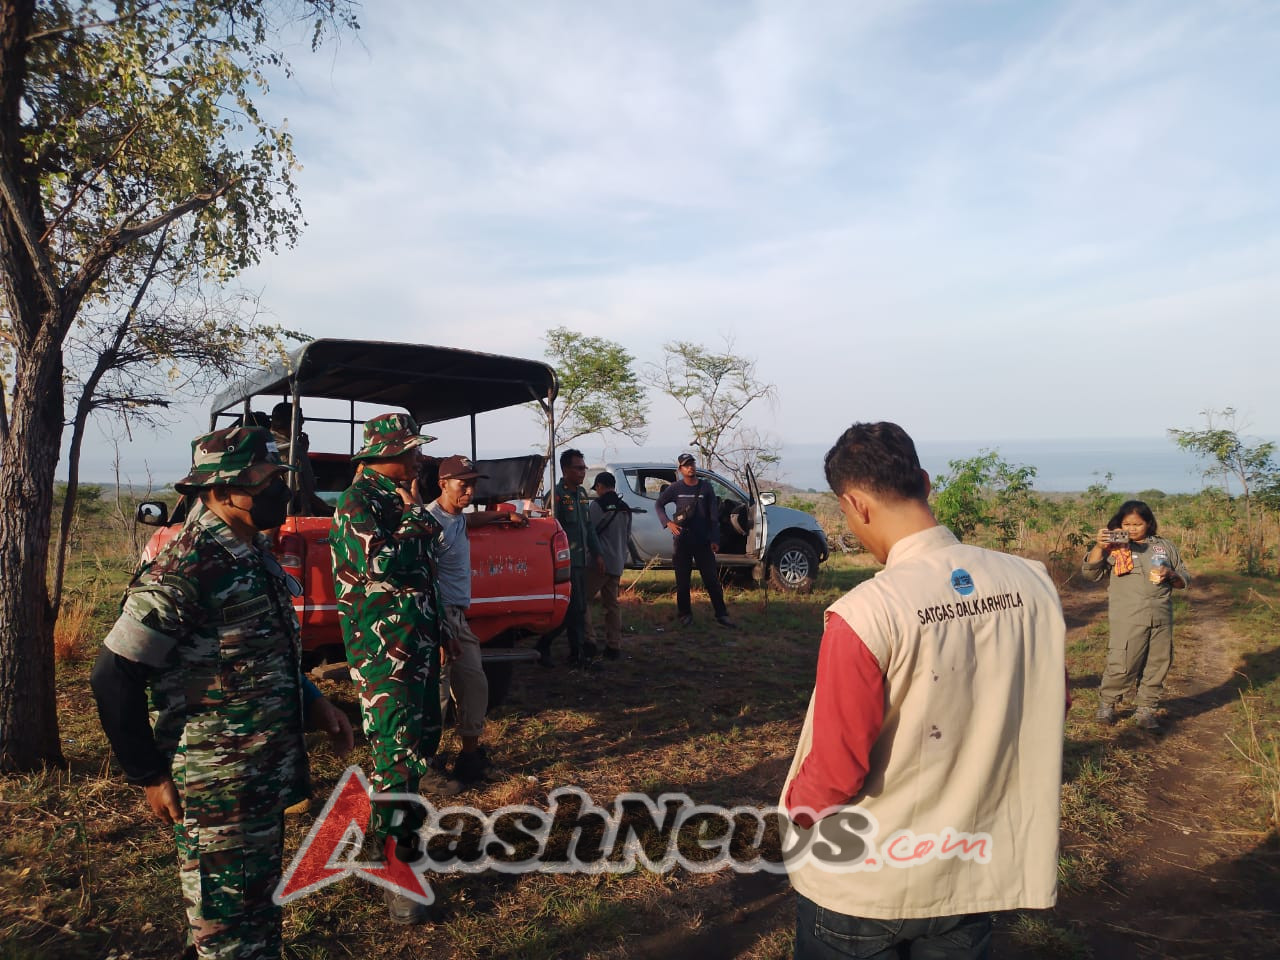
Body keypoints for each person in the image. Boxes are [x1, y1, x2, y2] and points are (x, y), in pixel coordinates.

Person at [780, 422, 1068, 960]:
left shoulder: (865, 613)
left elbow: (837, 772)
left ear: (855, 504)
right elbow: (1053, 701)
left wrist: (795, 810)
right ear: (926, 484)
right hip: (968, 869)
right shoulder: (1033, 584)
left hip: (864, 885)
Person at [90, 425, 354, 960]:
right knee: (224, 926)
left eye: (277, 477)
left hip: (261, 775)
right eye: (260, 481)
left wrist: (316, 702)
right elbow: (113, 674)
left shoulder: (251, 551)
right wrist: (148, 775)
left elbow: (259, 652)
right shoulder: (187, 566)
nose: (276, 490)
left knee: (252, 913)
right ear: (218, 490)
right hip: (217, 785)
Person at [330, 412, 449, 925]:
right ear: (387, 455)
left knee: (421, 743)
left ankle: (403, 842)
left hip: (415, 643)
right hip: (384, 653)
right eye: (412, 452)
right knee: (395, 755)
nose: (420, 458)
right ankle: (395, 867)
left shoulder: (399, 500)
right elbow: (378, 563)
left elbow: (423, 574)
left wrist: (439, 631)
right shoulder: (358, 502)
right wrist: (418, 519)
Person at [427, 454, 527, 788]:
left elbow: (469, 521)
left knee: (474, 684)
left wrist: (503, 516)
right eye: (463, 484)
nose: (469, 491)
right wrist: (439, 631)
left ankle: (469, 756)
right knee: (435, 695)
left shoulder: (456, 518)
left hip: (458, 617)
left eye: (472, 484)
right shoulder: (427, 522)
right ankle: (423, 767)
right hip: (435, 618)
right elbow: (423, 580)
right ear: (443, 484)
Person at [1083, 500, 1190, 731]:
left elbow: (1183, 579)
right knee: (1122, 662)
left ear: (1149, 523)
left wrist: (1170, 574)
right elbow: (1091, 574)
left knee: (1158, 664)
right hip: (1128, 616)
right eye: (1126, 524)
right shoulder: (1114, 546)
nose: (1132, 529)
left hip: (1161, 616)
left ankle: (1146, 709)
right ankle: (1107, 705)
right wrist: (1099, 546)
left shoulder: (1164, 547)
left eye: (1137, 524)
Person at [537, 448, 605, 667]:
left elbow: (588, 528)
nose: (582, 472)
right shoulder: (556, 497)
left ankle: (545, 646)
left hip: (580, 560)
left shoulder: (582, 495)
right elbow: (546, 529)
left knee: (576, 609)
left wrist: (598, 553)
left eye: (583, 468)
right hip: (564, 564)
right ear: (565, 470)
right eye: (578, 468)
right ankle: (577, 655)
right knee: (575, 608)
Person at [653, 452, 734, 628]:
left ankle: (722, 615)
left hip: (703, 542)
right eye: (686, 465)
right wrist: (667, 523)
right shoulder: (675, 488)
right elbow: (658, 504)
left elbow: (714, 516)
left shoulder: (706, 488)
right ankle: (685, 614)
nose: (690, 467)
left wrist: (714, 539)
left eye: (692, 463)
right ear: (680, 469)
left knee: (712, 580)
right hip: (682, 541)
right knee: (683, 581)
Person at [586, 470, 635, 660]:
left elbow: (589, 533)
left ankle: (589, 641)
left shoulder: (597, 506)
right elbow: (627, 535)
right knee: (612, 605)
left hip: (598, 563)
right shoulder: (625, 508)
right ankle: (614, 646)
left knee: (582, 600)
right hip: (617, 562)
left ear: (599, 486)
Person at [269, 401, 332, 516]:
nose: (302, 425)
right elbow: (300, 494)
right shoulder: (289, 451)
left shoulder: (270, 444)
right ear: (292, 422)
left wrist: (303, 451)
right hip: (294, 514)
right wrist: (331, 512)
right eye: (300, 421)